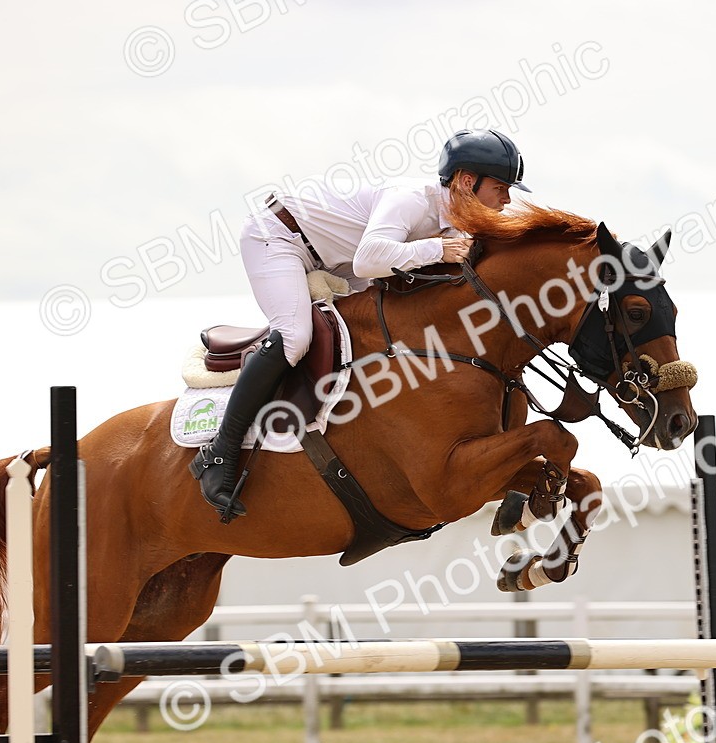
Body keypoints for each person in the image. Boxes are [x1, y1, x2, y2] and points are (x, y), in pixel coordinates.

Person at [191, 128, 531, 521]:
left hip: (334, 256)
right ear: (467, 181)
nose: (507, 200)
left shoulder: (454, 223)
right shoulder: (410, 201)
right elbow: (368, 260)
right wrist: (437, 249)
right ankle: (221, 450)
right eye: (502, 188)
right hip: (279, 237)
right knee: (295, 338)